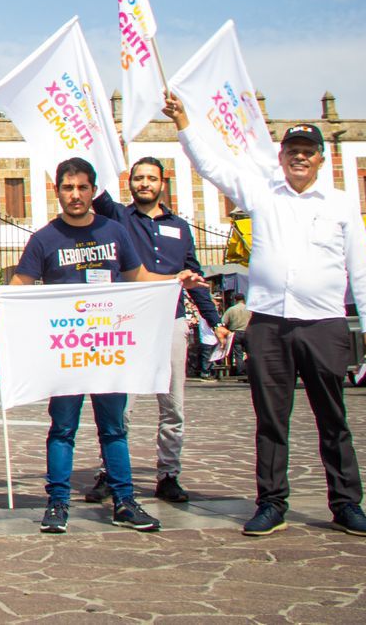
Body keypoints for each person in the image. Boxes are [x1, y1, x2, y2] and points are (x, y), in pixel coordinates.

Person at [166, 97, 366, 538]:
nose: (300, 158)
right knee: (270, 419)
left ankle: (347, 504)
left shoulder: (341, 204)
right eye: (292, 151)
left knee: (333, 418)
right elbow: (211, 167)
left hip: (324, 323)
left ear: (321, 159)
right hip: (268, 323)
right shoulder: (263, 193)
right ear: (282, 157)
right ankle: (271, 503)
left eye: (308, 152)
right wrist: (185, 122)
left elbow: (360, 265)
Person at [11, 156, 205, 535]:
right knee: (62, 428)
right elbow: (21, 283)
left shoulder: (115, 232)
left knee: (114, 428)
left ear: (93, 190)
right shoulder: (44, 239)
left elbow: (139, 276)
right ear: (57, 191)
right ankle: (57, 503)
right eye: (68, 188)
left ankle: (124, 502)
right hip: (67, 350)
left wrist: (175, 280)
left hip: (107, 347)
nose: (75, 195)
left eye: (82, 187)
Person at [84, 156, 226, 505]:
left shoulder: (180, 227)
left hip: (171, 320)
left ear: (163, 183)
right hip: (129, 321)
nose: (144, 183)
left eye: (151, 178)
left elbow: (194, 277)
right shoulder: (118, 217)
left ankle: (169, 474)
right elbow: (95, 186)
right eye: (138, 178)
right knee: (121, 405)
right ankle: (110, 472)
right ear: (129, 183)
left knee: (173, 405)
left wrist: (215, 322)